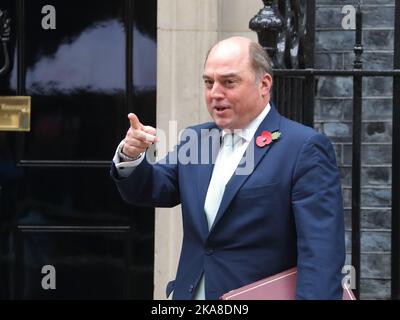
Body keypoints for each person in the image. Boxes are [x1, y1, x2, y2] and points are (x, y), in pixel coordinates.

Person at [110, 36, 346, 300]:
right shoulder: (197, 139)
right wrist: (131, 156)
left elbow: (321, 253)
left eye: (229, 82)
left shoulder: (303, 148)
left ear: (264, 84)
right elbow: (153, 189)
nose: (215, 94)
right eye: (209, 82)